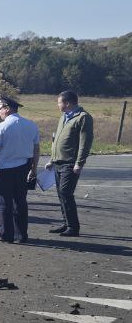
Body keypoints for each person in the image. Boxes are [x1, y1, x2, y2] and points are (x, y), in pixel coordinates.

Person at [0, 95, 40, 243]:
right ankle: (21, 235)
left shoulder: (1, 127)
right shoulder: (31, 125)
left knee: (3, 203)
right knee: (20, 202)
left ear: (6, 109)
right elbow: (36, 150)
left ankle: (6, 235)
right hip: (24, 168)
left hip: (5, 170)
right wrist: (34, 169)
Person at [44, 89, 94, 236]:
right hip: (58, 162)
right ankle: (66, 223)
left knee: (66, 192)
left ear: (67, 103)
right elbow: (57, 140)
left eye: (59, 102)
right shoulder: (64, 117)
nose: (58, 105)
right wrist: (51, 159)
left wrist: (80, 163)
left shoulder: (83, 117)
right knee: (61, 194)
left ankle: (73, 227)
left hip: (70, 163)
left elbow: (85, 143)